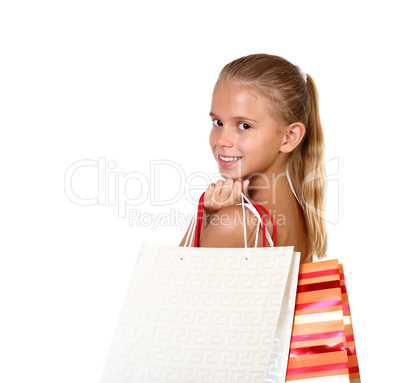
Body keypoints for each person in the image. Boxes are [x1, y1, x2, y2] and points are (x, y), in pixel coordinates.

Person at [180, 54, 327, 263]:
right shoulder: (301, 212)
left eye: (244, 126)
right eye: (218, 122)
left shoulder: (235, 223)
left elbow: (174, 289)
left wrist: (208, 220)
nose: (222, 140)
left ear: (289, 137)